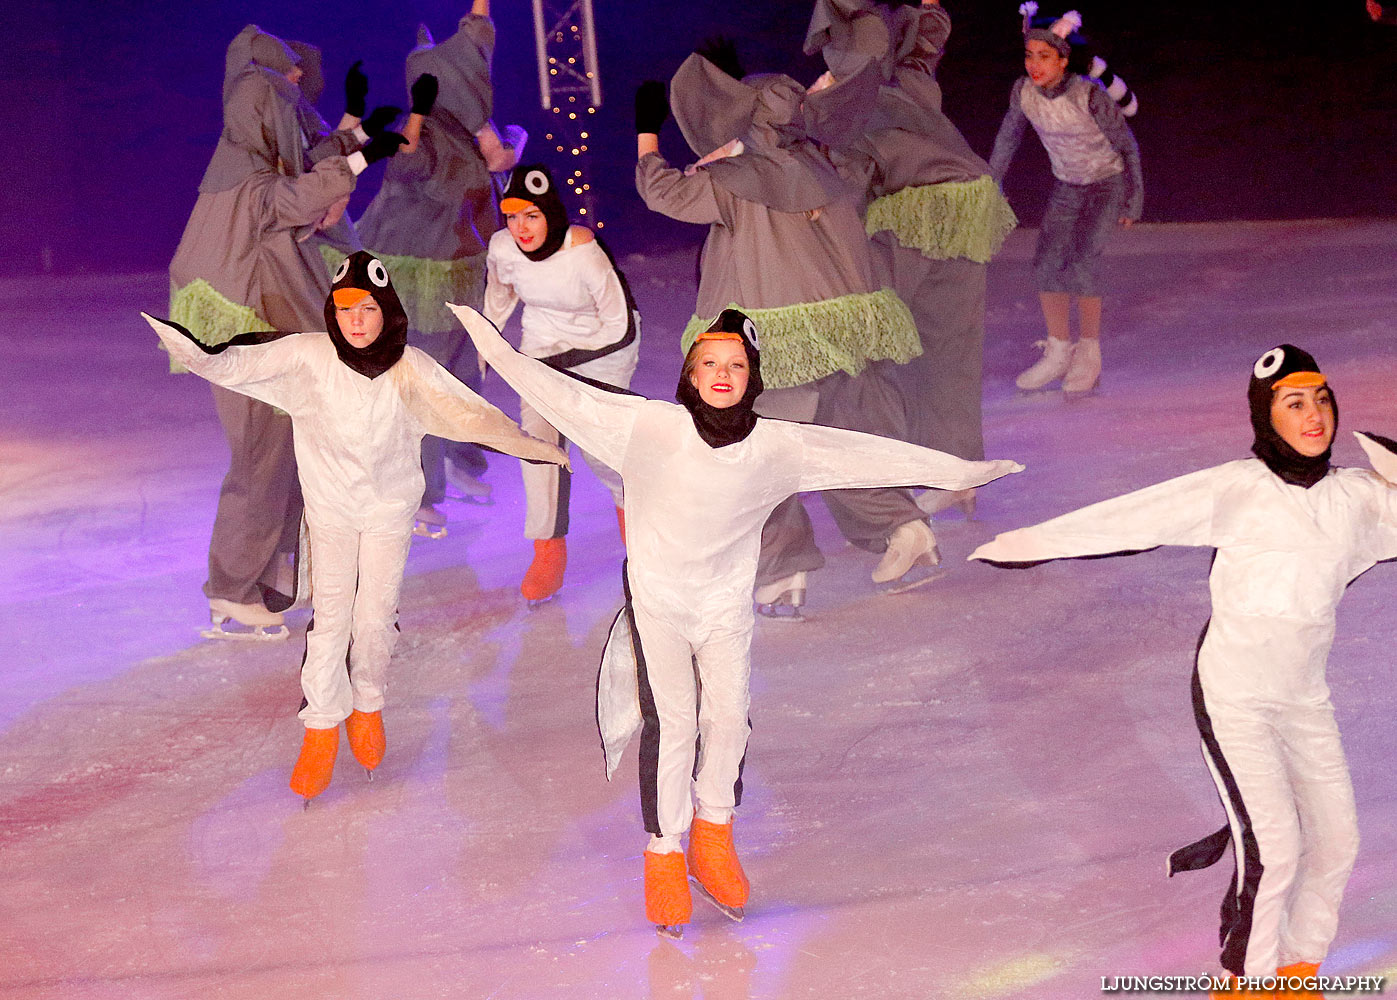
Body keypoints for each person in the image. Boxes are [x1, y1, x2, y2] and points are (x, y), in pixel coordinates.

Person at [453, 302, 1021, 938]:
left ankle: (713, 834)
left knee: (727, 717)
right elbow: (554, 390)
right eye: (709, 362)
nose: (722, 373)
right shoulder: (647, 427)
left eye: (736, 364)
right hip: (658, 600)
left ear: (753, 377)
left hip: (724, 605)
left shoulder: (778, 445)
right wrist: (493, 345)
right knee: (672, 723)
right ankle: (665, 850)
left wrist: (963, 473)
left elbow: (866, 456)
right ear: (691, 374)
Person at [970, 346, 1397, 997]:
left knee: (1337, 840)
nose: (1312, 416)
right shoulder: (1236, 488)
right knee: (1274, 849)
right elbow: (1135, 515)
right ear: (1264, 415)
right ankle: (1244, 984)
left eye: (1320, 400)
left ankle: (1297, 970)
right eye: (1292, 402)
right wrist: (1029, 544)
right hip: (1234, 698)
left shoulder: (1357, 499)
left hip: (1304, 698)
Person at [145, 253, 568, 801]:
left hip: (390, 513)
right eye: (345, 310)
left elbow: (470, 414)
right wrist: (193, 352)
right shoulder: (308, 358)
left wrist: (533, 448)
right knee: (331, 620)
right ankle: (321, 724)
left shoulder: (411, 367)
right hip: (331, 512)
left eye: (367, 308)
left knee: (373, 620)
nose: (356, 321)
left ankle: (367, 702)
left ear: (386, 311)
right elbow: (239, 364)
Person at [634, 41, 941, 618]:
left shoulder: (736, 179)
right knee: (838, 445)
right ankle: (905, 530)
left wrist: (647, 134)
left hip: (768, 344)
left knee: (753, 454)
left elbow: (663, 192)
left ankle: (783, 572)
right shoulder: (832, 166)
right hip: (840, 338)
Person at [169, 24, 406, 639]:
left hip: (268, 336)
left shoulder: (251, 166)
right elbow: (298, 195)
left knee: (286, 456)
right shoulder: (243, 181)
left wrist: (352, 133)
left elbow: (303, 170)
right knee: (261, 459)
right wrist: (358, 152)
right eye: (285, 95)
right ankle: (230, 589)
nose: (295, 102)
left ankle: (270, 575)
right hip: (248, 345)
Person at [803, 0, 1019, 517]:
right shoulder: (913, 77)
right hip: (966, 206)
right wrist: (929, 10)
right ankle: (956, 471)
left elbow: (849, 178)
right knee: (950, 341)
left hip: (911, 216)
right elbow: (929, 35)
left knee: (882, 344)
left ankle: (889, 483)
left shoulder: (846, 105)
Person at [356, 0, 528, 532]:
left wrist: (501, 143)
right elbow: (405, 158)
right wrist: (420, 113)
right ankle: (420, 492)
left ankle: (463, 458)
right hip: (416, 276)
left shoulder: (472, 131)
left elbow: (476, 39)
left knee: (459, 375)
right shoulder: (425, 132)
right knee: (423, 382)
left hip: (459, 272)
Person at [482, 162, 639, 604]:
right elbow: (499, 295)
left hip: (604, 350)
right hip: (544, 344)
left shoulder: (582, 251)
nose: (521, 228)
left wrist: (564, 365)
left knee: (603, 452)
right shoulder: (503, 248)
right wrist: (488, 345)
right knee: (537, 446)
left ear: (550, 213)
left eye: (531, 216)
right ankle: (548, 552)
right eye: (512, 217)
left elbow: (619, 323)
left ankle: (643, 547)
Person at [988, 7, 1143, 395]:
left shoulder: (1088, 94)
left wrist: (1134, 198)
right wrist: (992, 183)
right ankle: (1059, 350)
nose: (1034, 65)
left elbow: (1127, 145)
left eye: (1044, 57)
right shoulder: (1023, 92)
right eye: (1029, 56)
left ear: (1063, 59)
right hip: (1067, 185)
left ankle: (1088, 352)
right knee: (1046, 264)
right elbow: (1008, 137)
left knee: (1083, 262)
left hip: (1106, 184)